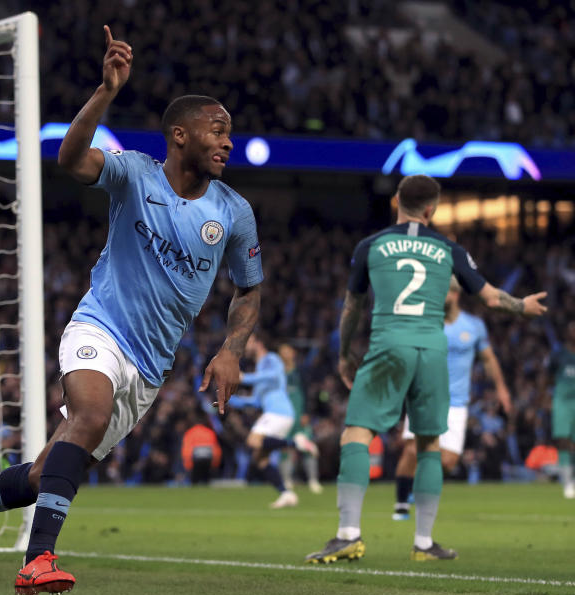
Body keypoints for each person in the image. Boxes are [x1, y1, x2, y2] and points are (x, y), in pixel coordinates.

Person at [0, 25, 263, 595]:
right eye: (217, 130)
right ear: (180, 135)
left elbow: (249, 288)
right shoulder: (135, 174)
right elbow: (70, 158)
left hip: (150, 368)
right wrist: (104, 92)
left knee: (46, 472)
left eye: (230, 134)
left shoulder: (235, 212)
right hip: (99, 327)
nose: (227, 142)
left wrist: (230, 350)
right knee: (90, 415)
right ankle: (38, 560)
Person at [305, 175, 547, 565]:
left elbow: (352, 307)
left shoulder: (371, 245)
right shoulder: (450, 250)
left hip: (389, 343)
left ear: (397, 200)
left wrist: (346, 351)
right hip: (434, 350)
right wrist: (524, 306)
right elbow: (489, 298)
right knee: (430, 443)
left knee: (356, 433)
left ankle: (348, 534)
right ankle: (424, 542)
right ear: (432, 210)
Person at [391, 276, 512, 520]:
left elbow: (488, 358)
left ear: (455, 295)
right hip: (424, 396)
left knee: (448, 462)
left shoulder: (474, 326)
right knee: (413, 450)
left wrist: (501, 388)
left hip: (457, 402)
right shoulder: (426, 323)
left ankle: (418, 487)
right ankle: (401, 504)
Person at [228, 334, 317, 508]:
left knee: (254, 440)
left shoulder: (271, 358)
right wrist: (230, 400)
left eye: (249, 341)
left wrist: (244, 378)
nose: (244, 345)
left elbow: (275, 375)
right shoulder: (260, 368)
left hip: (279, 412)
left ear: (259, 343)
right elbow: (256, 400)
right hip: (276, 414)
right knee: (260, 459)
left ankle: (295, 443)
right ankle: (287, 494)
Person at [277, 343, 323, 495]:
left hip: (300, 414)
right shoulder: (277, 373)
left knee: (308, 446)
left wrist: (307, 412)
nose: (285, 354)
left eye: (287, 350)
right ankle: (286, 480)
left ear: (293, 352)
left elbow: (309, 392)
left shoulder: (301, 371)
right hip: (284, 416)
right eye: (282, 351)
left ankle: (313, 480)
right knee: (285, 447)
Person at [549, 322, 575, 499]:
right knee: (563, 439)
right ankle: (567, 482)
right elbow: (547, 375)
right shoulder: (559, 354)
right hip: (562, 401)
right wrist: (544, 397)